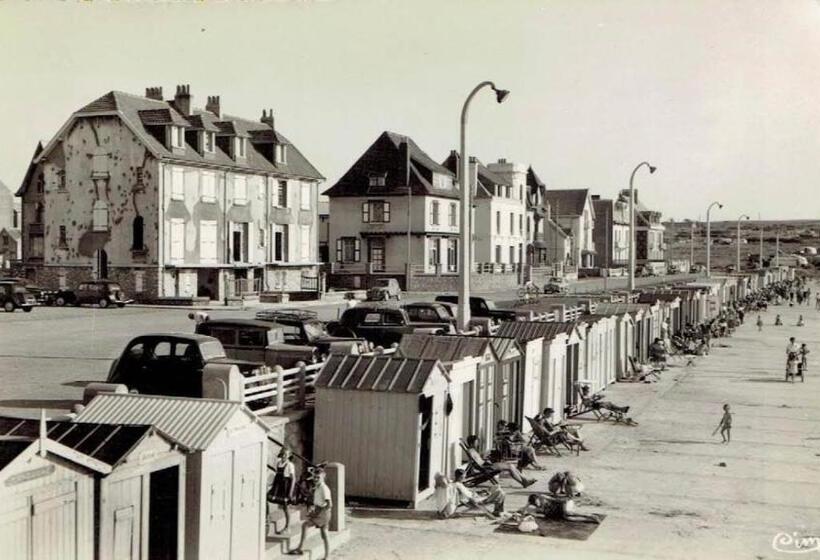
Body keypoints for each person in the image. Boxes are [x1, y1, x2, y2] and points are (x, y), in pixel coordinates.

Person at [289, 467, 332, 559]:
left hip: (323, 513)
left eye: (318, 477)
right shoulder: (318, 487)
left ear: (323, 477)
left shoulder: (324, 488)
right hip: (322, 512)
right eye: (315, 477)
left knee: (305, 525)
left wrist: (317, 513)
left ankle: (300, 548)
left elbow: (329, 504)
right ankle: (327, 556)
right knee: (324, 533)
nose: (316, 479)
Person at [464, 435, 536, 488]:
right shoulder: (471, 451)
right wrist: (486, 460)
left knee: (511, 466)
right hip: (488, 467)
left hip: (487, 465)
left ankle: (524, 480)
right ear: (471, 443)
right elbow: (477, 464)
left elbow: (478, 461)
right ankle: (523, 482)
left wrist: (485, 457)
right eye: (476, 442)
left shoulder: (472, 451)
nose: (477, 444)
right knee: (510, 467)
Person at [435, 469, 505, 518]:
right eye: (464, 476)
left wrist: (479, 493)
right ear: (461, 477)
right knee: (501, 492)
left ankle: (498, 511)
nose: (465, 477)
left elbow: (442, 479)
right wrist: (486, 495)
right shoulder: (458, 485)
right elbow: (473, 499)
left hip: (474, 497)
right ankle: (498, 512)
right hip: (477, 501)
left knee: (497, 488)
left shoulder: (453, 484)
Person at [268, 447, 297, 533]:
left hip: (285, 486)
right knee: (268, 498)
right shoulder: (278, 463)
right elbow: (277, 475)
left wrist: (290, 492)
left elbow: (293, 479)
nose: (284, 456)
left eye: (286, 454)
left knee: (285, 507)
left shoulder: (290, 465)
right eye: (283, 454)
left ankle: (288, 527)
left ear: (288, 456)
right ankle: (268, 517)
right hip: (278, 485)